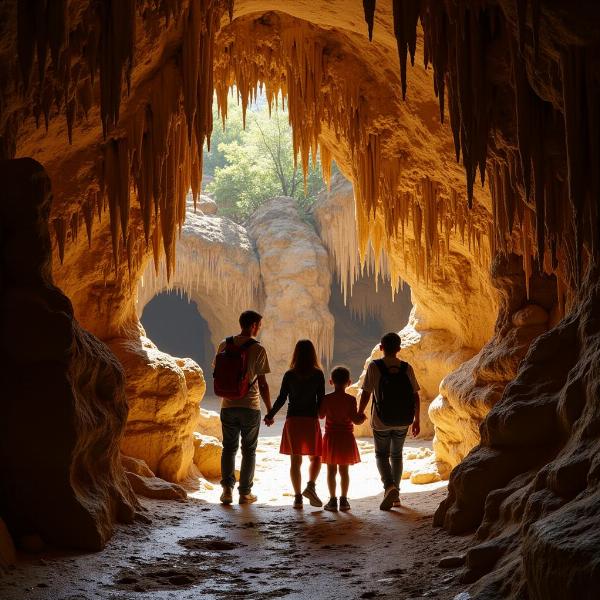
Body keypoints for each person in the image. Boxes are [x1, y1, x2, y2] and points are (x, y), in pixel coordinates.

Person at [214, 310, 272, 505]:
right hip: (250, 406)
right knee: (249, 450)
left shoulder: (225, 343)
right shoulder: (258, 349)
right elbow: (262, 383)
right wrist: (270, 409)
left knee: (229, 448)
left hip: (228, 405)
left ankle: (227, 491)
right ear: (254, 325)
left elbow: (216, 371)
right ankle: (245, 493)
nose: (259, 329)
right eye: (259, 325)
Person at [357, 332, 420, 511]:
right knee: (397, 455)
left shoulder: (374, 366)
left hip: (381, 420)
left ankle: (389, 487)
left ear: (381, 348)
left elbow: (367, 393)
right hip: (403, 420)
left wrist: (360, 412)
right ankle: (396, 495)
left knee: (382, 455)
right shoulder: (407, 368)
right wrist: (417, 420)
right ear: (399, 349)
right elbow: (415, 395)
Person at [264, 340, 325, 508]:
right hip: (310, 420)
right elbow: (321, 399)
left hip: (293, 421)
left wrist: (270, 414)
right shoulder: (318, 374)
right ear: (313, 354)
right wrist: (322, 414)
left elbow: (282, 398)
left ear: (296, 354)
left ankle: (298, 497)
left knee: (295, 461)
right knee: (316, 457)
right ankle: (311, 486)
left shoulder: (289, 374)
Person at [319, 366, 362, 512]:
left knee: (331, 471)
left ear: (331, 381)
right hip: (346, 438)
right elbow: (356, 420)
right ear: (349, 382)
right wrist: (362, 416)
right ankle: (344, 501)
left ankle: (332, 500)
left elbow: (320, 415)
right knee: (344, 472)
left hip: (331, 437)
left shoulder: (327, 398)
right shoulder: (351, 399)